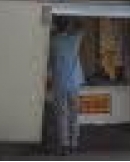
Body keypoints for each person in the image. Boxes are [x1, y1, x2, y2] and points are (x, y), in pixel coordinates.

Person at [49, 16, 84, 155]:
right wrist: (72, 20)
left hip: (60, 83)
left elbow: (49, 60)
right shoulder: (75, 39)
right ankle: (74, 144)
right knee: (74, 115)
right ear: (67, 26)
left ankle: (63, 145)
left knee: (62, 115)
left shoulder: (53, 41)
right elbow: (81, 26)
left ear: (56, 26)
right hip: (75, 83)